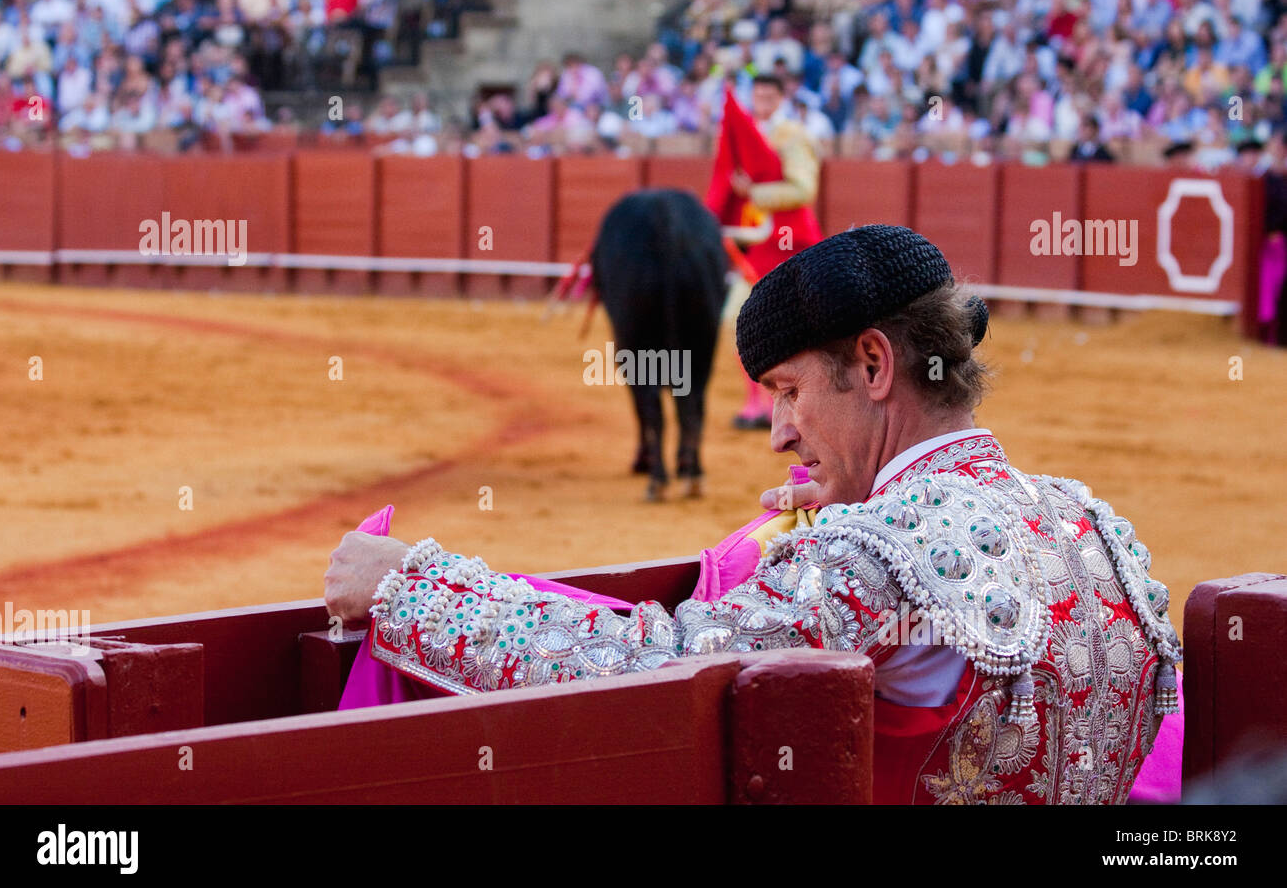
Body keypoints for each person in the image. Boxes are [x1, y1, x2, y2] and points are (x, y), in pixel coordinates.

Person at [324, 226, 1182, 805]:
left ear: (874, 365)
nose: (778, 433)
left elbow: (650, 671)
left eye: (788, 391)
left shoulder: (871, 558)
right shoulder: (1090, 522)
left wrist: (411, 591)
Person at [708, 73, 823, 429]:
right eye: (757, 96)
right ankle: (758, 401)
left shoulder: (792, 135)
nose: (763, 102)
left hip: (791, 246)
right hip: (758, 247)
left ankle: (802, 405)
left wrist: (754, 192)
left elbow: (803, 189)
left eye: (769, 96)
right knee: (737, 321)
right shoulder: (744, 135)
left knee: (797, 331)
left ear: (781, 97)